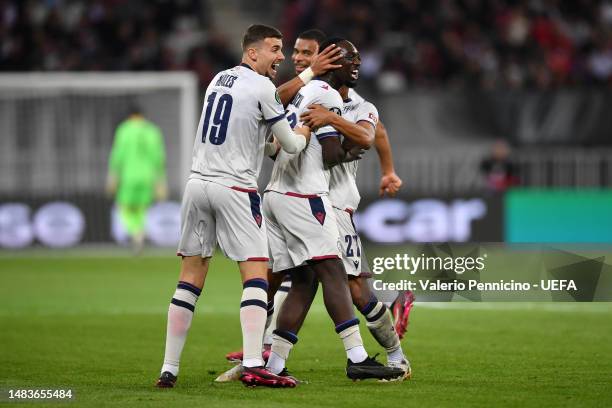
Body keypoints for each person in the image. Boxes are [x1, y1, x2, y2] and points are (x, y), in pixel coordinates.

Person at [155, 24, 313, 389]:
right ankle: (255, 363)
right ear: (252, 52)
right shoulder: (263, 87)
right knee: (257, 275)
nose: (281, 56)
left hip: (197, 184)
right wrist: (303, 132)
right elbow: (289, 146)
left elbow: (246, 135)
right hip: (235, 188)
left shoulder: (218, 80)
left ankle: (169, 368)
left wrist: (268, 142)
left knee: (190, 278)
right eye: (275, 48)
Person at [263, 37, 404, 382]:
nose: (297, 58)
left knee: (304, 281)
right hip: (310, 198)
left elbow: (375, 133)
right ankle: (360, 356)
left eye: (306, 53)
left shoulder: (343, 101)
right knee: (338, 277)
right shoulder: (321, 94)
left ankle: (270, 361)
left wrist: (387, 170)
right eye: (348, 59)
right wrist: (347, 144)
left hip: (286, 195)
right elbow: (334, 152)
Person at [106, 106, 167, 253]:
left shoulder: (124, 130)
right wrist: (161, 181)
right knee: (141, 208)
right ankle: (140, 232)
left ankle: (135, 232)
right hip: (148, 176)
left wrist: (112, 177)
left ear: (129, 116)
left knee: (124, 207)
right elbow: (159, 157)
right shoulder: (153, 131)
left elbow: (117, 155)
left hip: (128, 175)